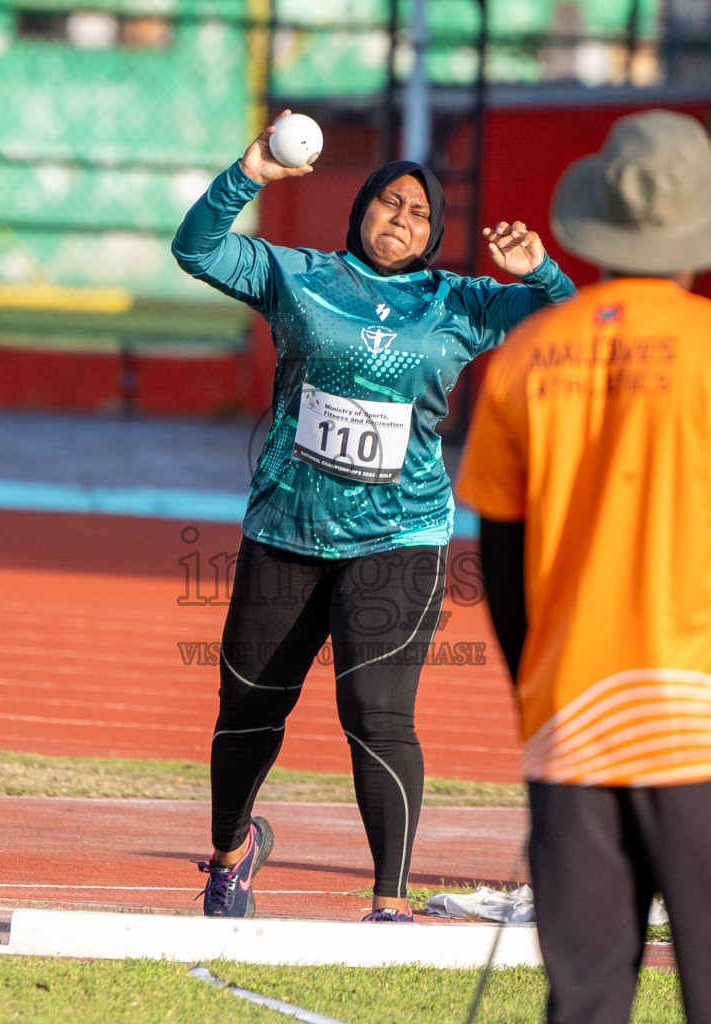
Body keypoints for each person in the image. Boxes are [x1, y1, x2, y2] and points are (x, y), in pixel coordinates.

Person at [455, 110, 711, 1023]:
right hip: (710, 729)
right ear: (704, 232)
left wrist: (541, 698)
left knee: (589, 996)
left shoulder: (525, 358)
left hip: (574, 724)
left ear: (598, 227)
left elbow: (502, 556)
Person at [172, 111, 576, 921]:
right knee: (249, 701)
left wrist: (542, 273)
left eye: (420, 212)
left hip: (401, 536)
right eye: (389, 203)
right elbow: (197, 250)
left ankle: (389, 902)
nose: (402, 219)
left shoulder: (458, 302)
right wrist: (248, 170)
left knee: (377, 713)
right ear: (359, 209)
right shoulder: (300, 277)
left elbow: (565, 323)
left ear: (435, 233)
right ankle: (230, 852)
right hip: (287, 526)